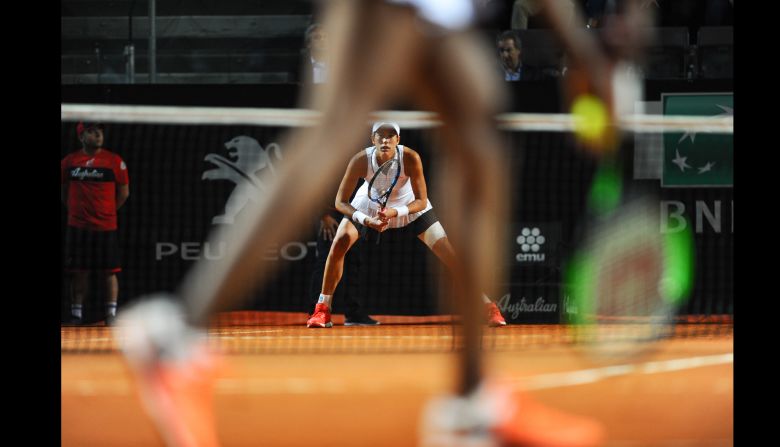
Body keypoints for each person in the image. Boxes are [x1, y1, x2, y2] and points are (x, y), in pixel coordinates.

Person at [115, 1, 605, 446]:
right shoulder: (365, 158)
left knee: (478, 144)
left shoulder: (410, 159)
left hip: (439, 54)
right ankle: (173, 336)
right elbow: (339, 196)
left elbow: (423, 198)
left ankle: (473, 400)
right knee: (338, 129)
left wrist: (584, 53)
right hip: (374, 171)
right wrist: (587, 54)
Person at [306, 122, 507, 329]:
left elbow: (421, 200)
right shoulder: (360, 160)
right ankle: (322, 309)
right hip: (369, 206)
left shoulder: (410, 158)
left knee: (449, 254)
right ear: (372, 138)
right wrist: (366, 219)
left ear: (398, 140)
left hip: (410, 207)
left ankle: (487, 306)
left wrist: (395, 212)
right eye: (380, 136)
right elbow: (341, 201)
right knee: (339, 242)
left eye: (391, 136)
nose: (385, 140)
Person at [62, 122, 129, 325]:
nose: (98, 134)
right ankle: (77, 314)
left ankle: (111, 315)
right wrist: (75, 211)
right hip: (78, 227)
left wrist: (107, 212)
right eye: (91, 131)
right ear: (81, 137)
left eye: (99, 130)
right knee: (79, 271)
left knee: (110, 271)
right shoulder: (69, 162)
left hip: (106, 227)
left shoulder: (115, 161)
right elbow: (63, 191)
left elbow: (124, 193)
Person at [308, 190, 379, 326]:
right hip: (331, 215)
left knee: (354, 262)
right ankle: (316, 312)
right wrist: (324, 216)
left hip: (355, 214)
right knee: (326, 262)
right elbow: (314, 190)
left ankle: (354, 314)